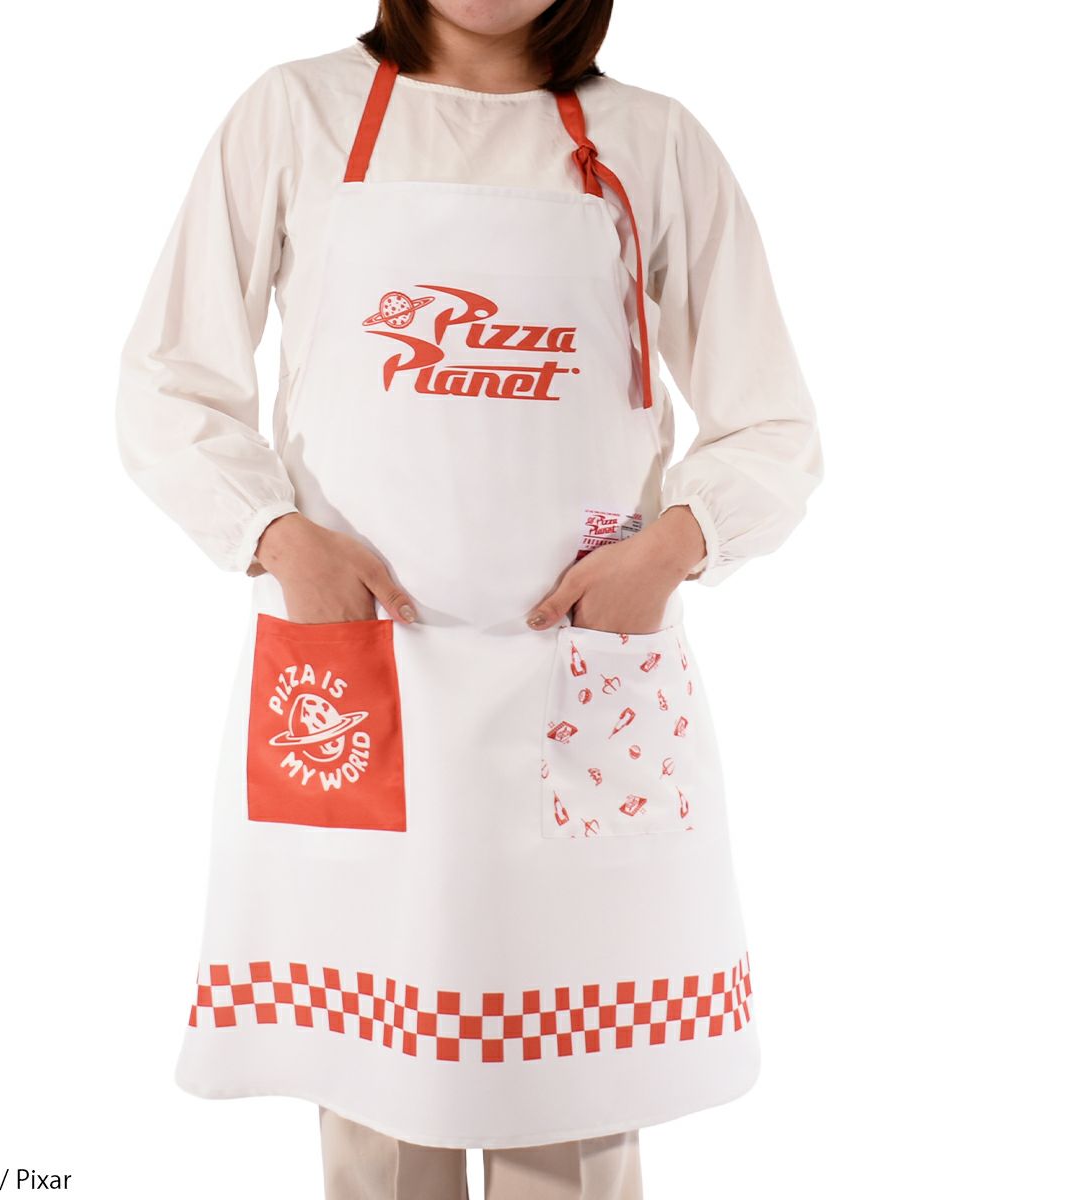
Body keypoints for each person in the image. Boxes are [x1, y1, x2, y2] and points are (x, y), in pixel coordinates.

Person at [116, 1, 822, 1196]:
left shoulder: (654, 142)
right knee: (379, 1080)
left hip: (582, 682)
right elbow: (168, 382)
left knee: (575, 1080)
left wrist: (674, 547)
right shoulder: (295, 115)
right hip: (358, 675)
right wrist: (276, 536)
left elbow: (773, 424)